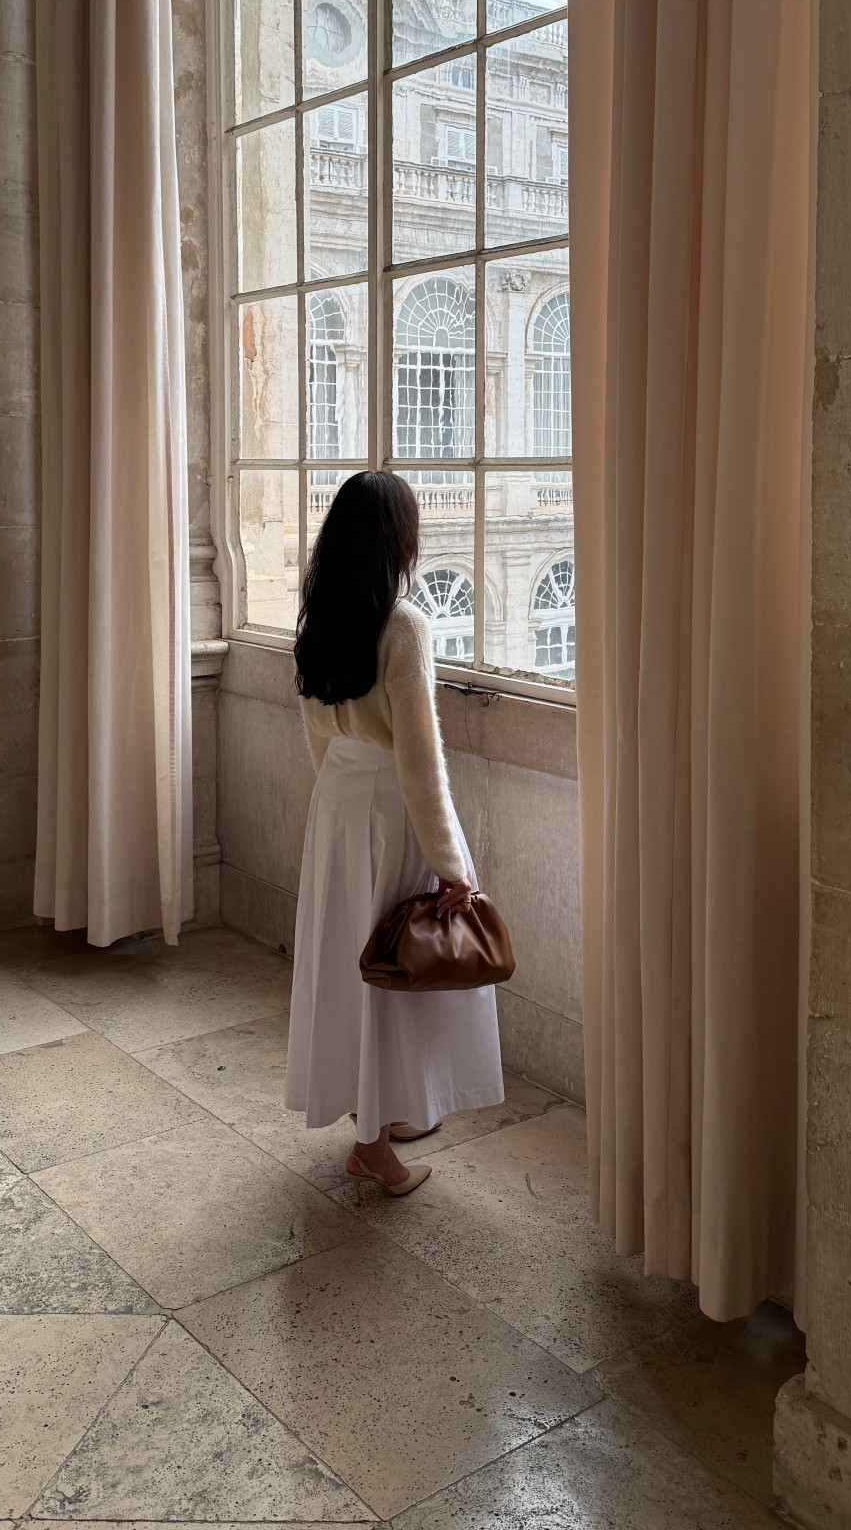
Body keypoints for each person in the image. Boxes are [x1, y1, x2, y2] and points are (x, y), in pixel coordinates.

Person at [284, 471, 505, 1196]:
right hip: (387, 810)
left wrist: (340, 800)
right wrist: (450, 863)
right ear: (396, 540)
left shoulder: (322, 615)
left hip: (338, 806)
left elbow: (319, 734)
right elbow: (419, 761)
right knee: (398, 972)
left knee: (351, 964)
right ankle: (377, 1145)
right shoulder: (403, 625)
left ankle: (372, 1115)